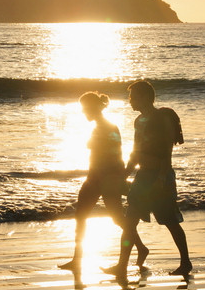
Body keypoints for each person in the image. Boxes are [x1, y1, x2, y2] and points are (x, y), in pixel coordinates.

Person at [103, 80, 192, 279]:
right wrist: (125, 174)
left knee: (170, 221)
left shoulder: (161, 118)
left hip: (160, 177)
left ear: (144, 97)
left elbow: (167, 150)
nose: (130, 101)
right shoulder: (138, 121)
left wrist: (162, 177)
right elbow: (136, 151)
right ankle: (122, 266)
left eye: (133, 96)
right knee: (129, 222)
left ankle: (185, 262)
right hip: (143, 177)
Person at [59, 91, 149, 272]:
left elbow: (117, 156)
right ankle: (77, 259)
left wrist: (118, 178)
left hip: (108, 178)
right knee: (81, 216)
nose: (84, 112)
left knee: (117, 218)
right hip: (93, 178)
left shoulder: (109, 127)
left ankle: (141, 248)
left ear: (93, 108)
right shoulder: (97, 127)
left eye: (85, 109)